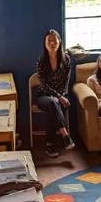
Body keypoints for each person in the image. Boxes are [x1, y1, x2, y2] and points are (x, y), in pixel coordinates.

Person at [35, 29, 74, 157]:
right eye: (49, 41)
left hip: (62, 95)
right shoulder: (41, 61)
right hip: (43, 96)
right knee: (52, 102)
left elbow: (66, 82)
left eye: (54, 40)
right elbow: (43, 85)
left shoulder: (66, 60)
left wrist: (61, 97)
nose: (52, 43)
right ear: (45, 44)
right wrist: (58, 97)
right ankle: (65, 136)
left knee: (54, 106)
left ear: (59, 42)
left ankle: (49, 145)